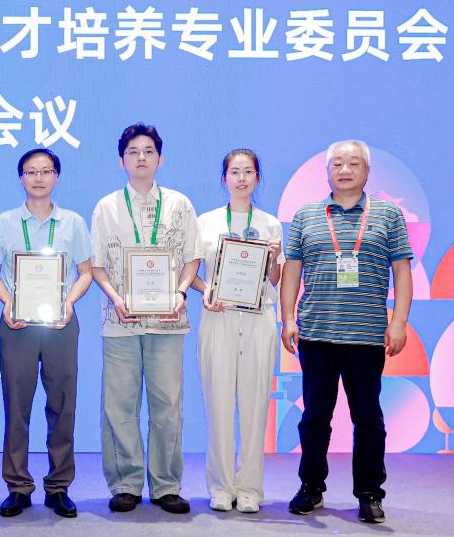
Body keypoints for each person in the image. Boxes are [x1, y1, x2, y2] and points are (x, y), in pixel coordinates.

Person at [281, 140, 413, 525]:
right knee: (314, 418)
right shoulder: (306, 215)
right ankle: (311, 487)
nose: (345, 170)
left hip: (367, 335)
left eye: (354, 163)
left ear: (367, 171)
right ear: (327, 172)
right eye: (337, 163)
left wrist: (399, 322)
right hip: (316, 334)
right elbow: (292, 271)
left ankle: (370, 493)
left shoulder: (388, 215)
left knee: (368, 419)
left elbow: (402, 271)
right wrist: (287, 318)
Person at [90, 123, 202, 514]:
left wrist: (180, 292)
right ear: (121, 160)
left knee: (167, 405)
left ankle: (166, 485)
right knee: (119, 406)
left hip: (168, 321)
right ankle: (125, 483)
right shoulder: (106, 207)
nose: (141, 157)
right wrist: (116, 297)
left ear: (160, 158)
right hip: (120, 320)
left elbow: (192, 258)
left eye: (148, 151)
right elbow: (97, 265)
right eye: (133, 151)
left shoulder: (179, 205)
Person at [0, 148, 93, 518]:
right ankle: (18, 486)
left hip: (60, 324)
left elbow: (86, 272)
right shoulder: (4, 223)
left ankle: (58, 486)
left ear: (56, 177)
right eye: (31, 172)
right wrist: (8, 302)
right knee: (16, 407)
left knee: (62, 405)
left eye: (45, 171)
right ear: (21, 178)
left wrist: (69, 302)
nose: (38, 178)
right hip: (17, 324)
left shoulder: (73, 223)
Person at [189, 149, 283, 514]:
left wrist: (273, 258)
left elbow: (275, 278)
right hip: (219, 317)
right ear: (224, 178)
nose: (241, 178)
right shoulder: (206, 222)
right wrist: (206, 291)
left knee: (255, 406)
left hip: (258, 319)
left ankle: (250, 488)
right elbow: (192, 273)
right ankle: (221, 486)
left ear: (257, 178)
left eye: (248, 172)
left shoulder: (270, 224)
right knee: (218, 405)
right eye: (234, 172)